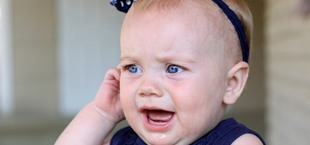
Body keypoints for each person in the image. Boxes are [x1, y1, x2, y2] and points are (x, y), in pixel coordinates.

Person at [55, 0, 266, 144]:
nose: (147, 88)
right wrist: (102, 113)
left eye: (172, 68)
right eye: (133, 68)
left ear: (231, 84)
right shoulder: (127, 141)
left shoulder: (238, 142)